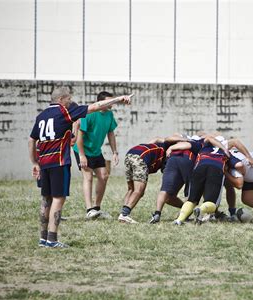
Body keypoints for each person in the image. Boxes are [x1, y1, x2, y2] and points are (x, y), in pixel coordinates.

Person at [28, 87, 131, 248]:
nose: (71, 101)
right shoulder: (65, 112)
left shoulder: (41, 116)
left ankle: (43, 238)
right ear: (61, 99)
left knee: (46, 198)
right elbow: (95, 106)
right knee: (58, 198)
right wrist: (119, 99)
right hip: (59, 162)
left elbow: (31, 139)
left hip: (44, 162)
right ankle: (52, 239)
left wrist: (34, 162)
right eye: (68, 98)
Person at [73, 91, 123, 220]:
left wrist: (115, 152)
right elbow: (79, 135)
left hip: (96, 150)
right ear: (101, 102)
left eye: (112, 101)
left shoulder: (109, 114)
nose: (111, 103)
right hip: (82, 149)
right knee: (88, 176)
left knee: (104, 175)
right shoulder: (88, 114)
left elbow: (110, 133)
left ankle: (96, 208)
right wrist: (82, 156)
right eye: (108, 101)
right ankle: (89, 210)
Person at [174, 136, 245, 225]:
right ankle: (201, 210)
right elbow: (239, 165)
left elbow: (208, 138)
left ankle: (179, 220)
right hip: (216, 169)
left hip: (199, 168)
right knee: (211, 202)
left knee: (192, 200)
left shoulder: (204, 146)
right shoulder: (226, 152)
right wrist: (243, 172)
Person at [148, 135, 205, 224]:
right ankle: (185, 214)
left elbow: (164, 138)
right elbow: (188, 145)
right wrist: (172, 147)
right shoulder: (197, 143)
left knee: (166, 193)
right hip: (187, 160)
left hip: (171, 161)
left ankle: (157, 213)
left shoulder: (178, 140)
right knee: (191, 193)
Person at [118, 141, 170, 224]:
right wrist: (187, 140)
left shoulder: (156, 148)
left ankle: (122, 214)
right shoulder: (165, 146)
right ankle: (124, 215)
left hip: (129, 154)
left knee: (131, 189)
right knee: (139, 191)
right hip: (140, 158)